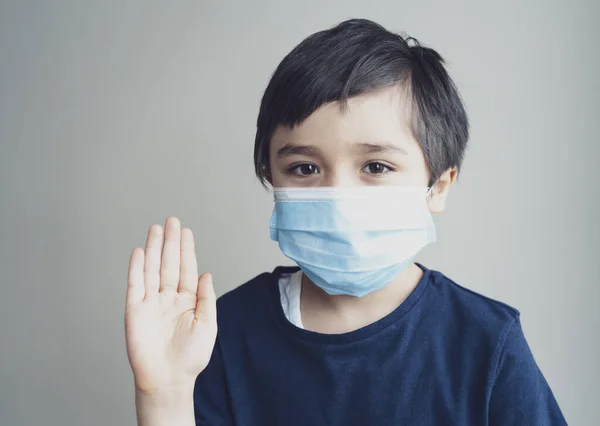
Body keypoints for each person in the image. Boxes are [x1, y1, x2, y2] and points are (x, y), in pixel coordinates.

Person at [125, 19, 567, 425]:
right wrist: (164, 394)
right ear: (270, 177)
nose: (338, 199)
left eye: (375, 167)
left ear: (440, 185)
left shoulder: (486, 343)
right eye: (304, 168)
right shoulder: (219, 335)